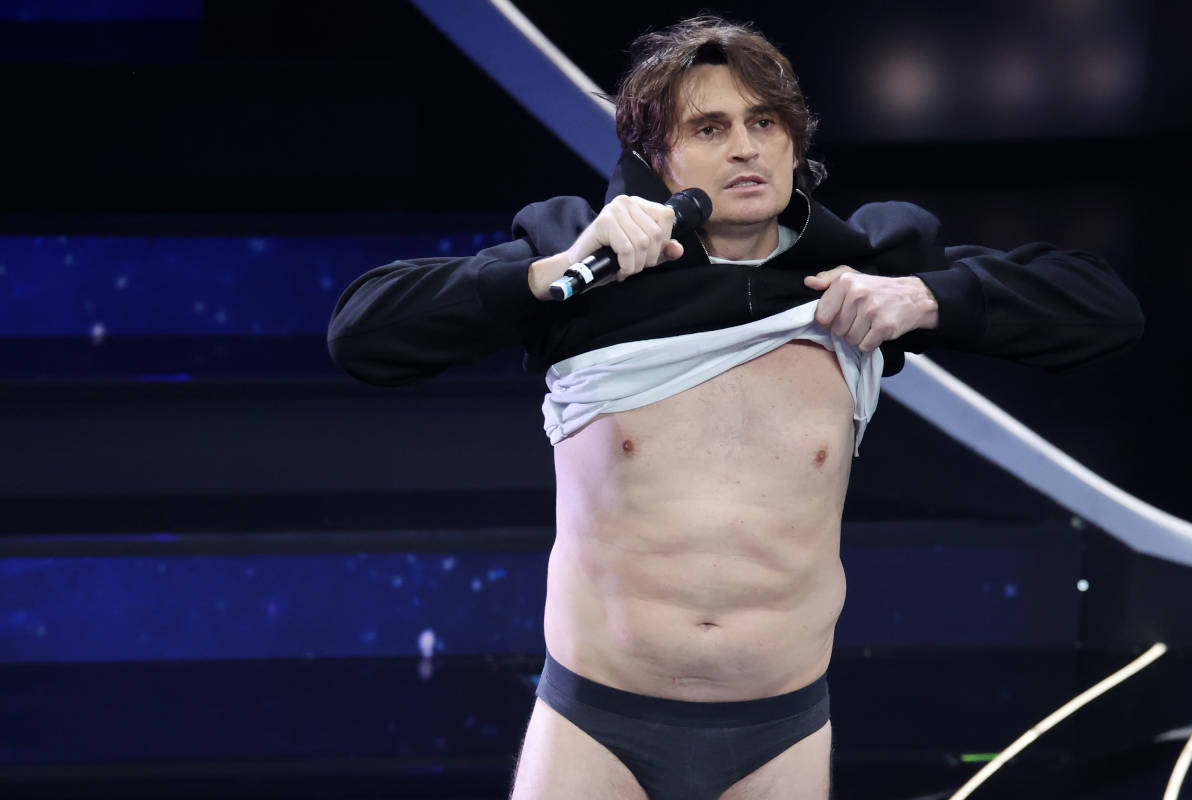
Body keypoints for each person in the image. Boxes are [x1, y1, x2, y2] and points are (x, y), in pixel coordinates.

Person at [327, 15, 1142, 800]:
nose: (746, 147)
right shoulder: (587, 266)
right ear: (658, 158)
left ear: (794, 144)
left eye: (764, 123)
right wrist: (548, 273)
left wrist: (927, 298)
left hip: (779, 735)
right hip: (595, 724)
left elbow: (1105, 309)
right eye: (710, 129)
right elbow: (362, 332)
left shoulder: (859, 275)